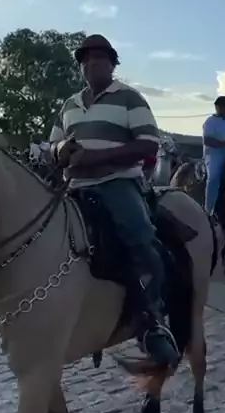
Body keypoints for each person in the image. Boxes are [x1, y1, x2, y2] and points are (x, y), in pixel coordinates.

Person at [49, 34, 179, 368]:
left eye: (99, 58)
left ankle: (152, 321)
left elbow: (148, 143)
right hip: (74, 186)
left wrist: (98, 157)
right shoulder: (69, 104)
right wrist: (61, 150)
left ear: (112, 63)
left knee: (141, 237)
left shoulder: (129, 98)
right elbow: (52, 144)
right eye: (86, 59)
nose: (92, 63)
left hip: (117, 183)